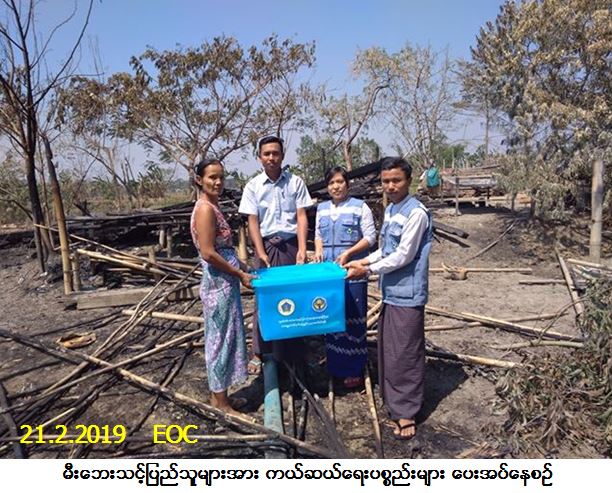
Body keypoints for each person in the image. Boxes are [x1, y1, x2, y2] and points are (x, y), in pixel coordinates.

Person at [346, 156, 433, 440]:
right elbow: (386, 250)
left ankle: (407, 411)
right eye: (386, 181)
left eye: (396, 180)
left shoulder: (416, 213)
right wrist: (362, 261)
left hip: (408, 293)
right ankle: (395, 402)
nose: (390, 186)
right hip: (391, 292)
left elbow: (403, 255)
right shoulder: (393, 209)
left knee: (405, 353)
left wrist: (367, 270)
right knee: (391, 351)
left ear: (409, 181)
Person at [238, 136, 313, 373]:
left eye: (275, 153)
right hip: (267, 247)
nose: (271, 158)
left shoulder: (295, 182)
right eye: (266, 153)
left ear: (282, 155)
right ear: (259, 157)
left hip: (290, 246)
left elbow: (301, 216)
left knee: (295, 297)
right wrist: (260, 252)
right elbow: (252, 221)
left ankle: (295, 351)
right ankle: (260, 351)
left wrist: (302, 249)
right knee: (264, 299)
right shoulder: (253, 186)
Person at [191, 158, 255, 414]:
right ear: (199, 180)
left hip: (224, 282)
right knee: (220, 341)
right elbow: (208, 252)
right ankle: (222, 404)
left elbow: (221, 248)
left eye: (221, 177)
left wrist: (241, 264)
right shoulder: (205, 209)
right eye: (212, 177)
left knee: (226, 337)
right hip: (219, 285)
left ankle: (220, 398)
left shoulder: (211, 206)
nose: (218, 182)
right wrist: (238, 273)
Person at [314, 166, 376, 388]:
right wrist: (318, 250)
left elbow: (370, 237)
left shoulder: (360, 207)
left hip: (352, 271)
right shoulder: (321, 208)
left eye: (340, 182)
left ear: (347, 184)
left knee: (353, 317)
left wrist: (349, 252)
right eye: (331, 183)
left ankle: (354, 369)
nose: (336, 186)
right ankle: (336, 365)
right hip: (329, 273)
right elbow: (318, 235)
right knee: (332, 316)